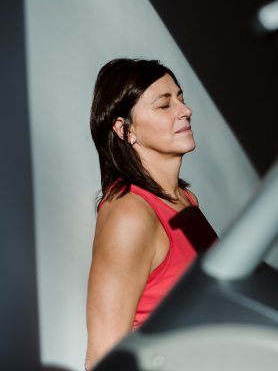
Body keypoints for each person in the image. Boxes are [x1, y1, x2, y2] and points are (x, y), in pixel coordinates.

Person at [85, 59, 218, 370]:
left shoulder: (186, 200)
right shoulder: (129, 213)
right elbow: (103, 356)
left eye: (181, 98)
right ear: (124, 129)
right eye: (164, 105)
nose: (185, 111)